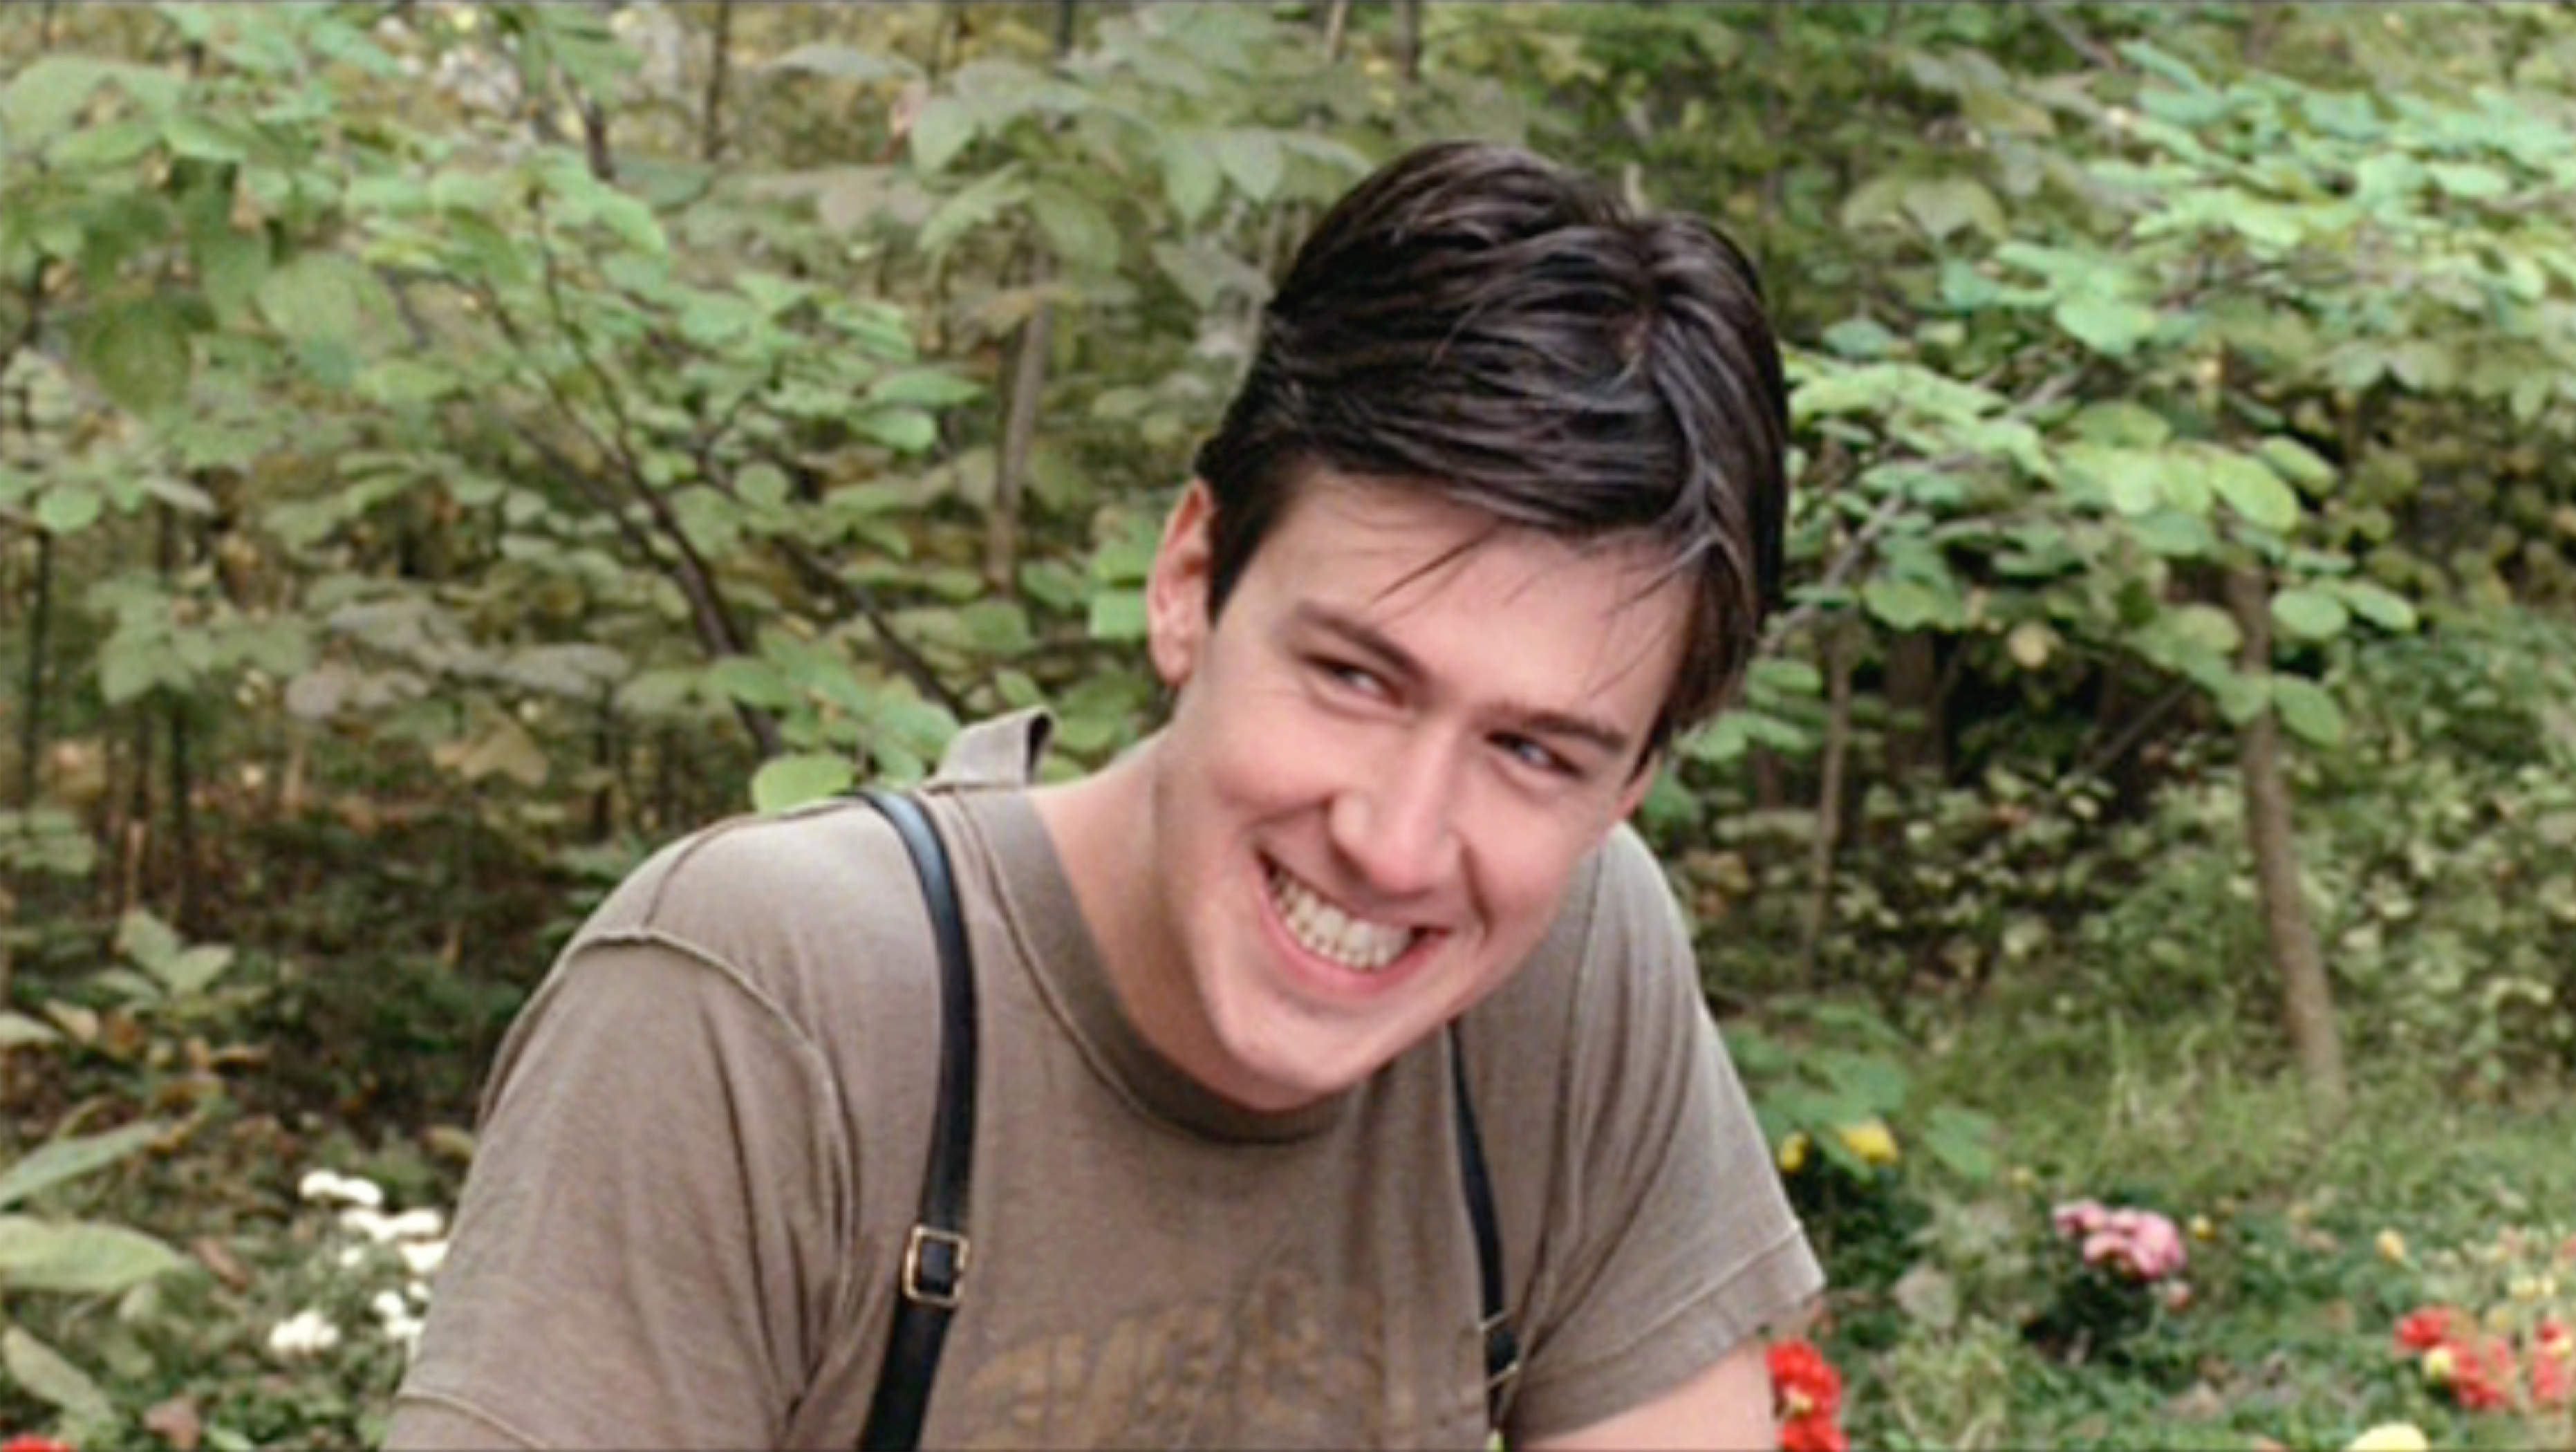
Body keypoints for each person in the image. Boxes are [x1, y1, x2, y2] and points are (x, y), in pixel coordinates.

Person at [386, 139, 1822, 1450]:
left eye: (1534, 753)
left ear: (1631, 784)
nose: (1395, 842)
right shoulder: (769, 1004)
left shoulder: (1570, 973)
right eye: (1355, 677)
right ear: (1191, 580)